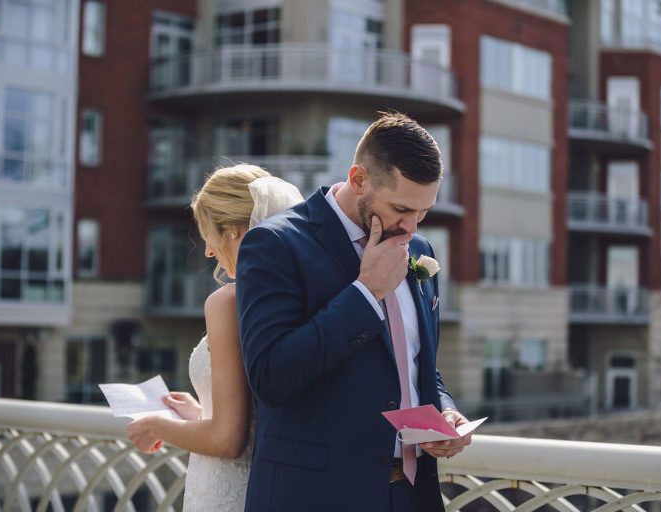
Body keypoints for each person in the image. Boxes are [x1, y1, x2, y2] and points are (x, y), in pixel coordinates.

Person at [236, 112, 472, 512]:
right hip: (315, 497)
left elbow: (417, 363)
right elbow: (270, 376)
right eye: (401, 208)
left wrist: (446, 411)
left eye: (423, 212)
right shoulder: (275, 244)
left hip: (411, 495)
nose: (412, 227)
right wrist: (366, 293)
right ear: (359, 179)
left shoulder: (420, 252)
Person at [126, 164, 303, 511]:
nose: (208, 251)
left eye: (209, 233)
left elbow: (227, 440)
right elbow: (252, 419)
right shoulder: (295, 296)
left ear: (235, 231)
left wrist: (155, 424)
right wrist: (197, 414)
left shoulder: (228, 302)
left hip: (227, 491)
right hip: (274, 486)